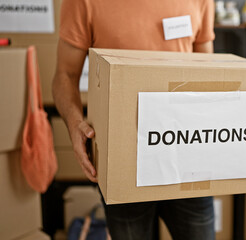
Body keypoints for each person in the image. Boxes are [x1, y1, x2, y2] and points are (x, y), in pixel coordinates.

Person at [52, 0, 216, 239]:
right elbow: (65, 74)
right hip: (123, 158)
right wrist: (75, 124)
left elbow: (208, 73)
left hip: (187, 155)